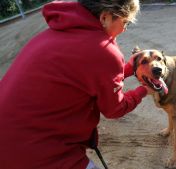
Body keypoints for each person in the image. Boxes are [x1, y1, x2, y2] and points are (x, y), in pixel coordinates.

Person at [0, 0, 153, 168]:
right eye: (126, 23)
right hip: (35, 148)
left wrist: (130, 68)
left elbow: (90, 79)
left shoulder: (55, 32)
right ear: (104, 18)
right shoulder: (102, 49)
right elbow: (115, 108)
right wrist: (142, 91)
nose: (124, 29)